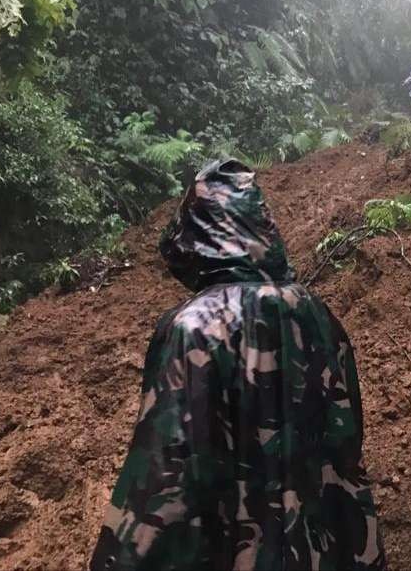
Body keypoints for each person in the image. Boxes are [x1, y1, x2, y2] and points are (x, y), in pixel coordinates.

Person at [90, 159, 385, 571]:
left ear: (199, 236)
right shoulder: (319, 316)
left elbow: (166, 476)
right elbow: (346, 440)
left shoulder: (192, 329)